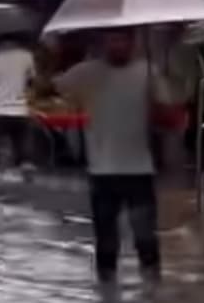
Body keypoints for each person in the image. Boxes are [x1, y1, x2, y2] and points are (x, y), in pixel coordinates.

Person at [55, 28, 165, 283]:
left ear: (133, 42)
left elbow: (169, 109)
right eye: (112, 40)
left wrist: (161, 92)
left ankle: (153, 294)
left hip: (140, 169)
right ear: (103, 42)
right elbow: (48, 93)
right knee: (106, 241)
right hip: (102, 171)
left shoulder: (148, 72)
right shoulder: (84, 73)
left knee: (146, 238)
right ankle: (107, 292)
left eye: (122, 40)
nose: (117, 45)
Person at [0, 33, 37, 182]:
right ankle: (26, 166)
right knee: (23, 141)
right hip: (20, 109)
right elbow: (31, 81)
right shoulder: (26, 56)